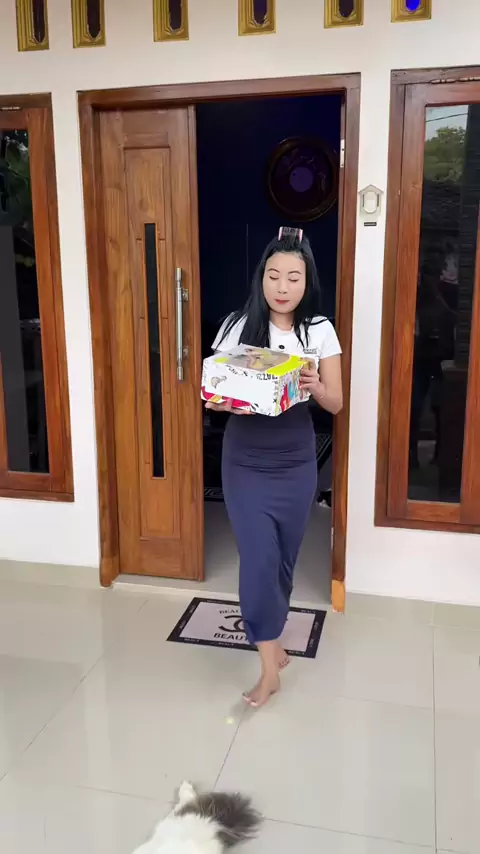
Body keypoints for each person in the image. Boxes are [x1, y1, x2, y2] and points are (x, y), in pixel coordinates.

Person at [205, 227, 343, 707]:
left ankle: (272, 633)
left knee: (283, 557)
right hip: (245, 458)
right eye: (274, 276)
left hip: (295, 458)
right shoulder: (236, 325)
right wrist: (225, 400)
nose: (282, 287)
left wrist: (314, 384)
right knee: (258, 559)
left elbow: (336, 402)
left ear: (307, 282)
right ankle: (268, 667)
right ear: (261, 278)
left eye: (293, 278)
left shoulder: (318, 331)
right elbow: (215, 395)